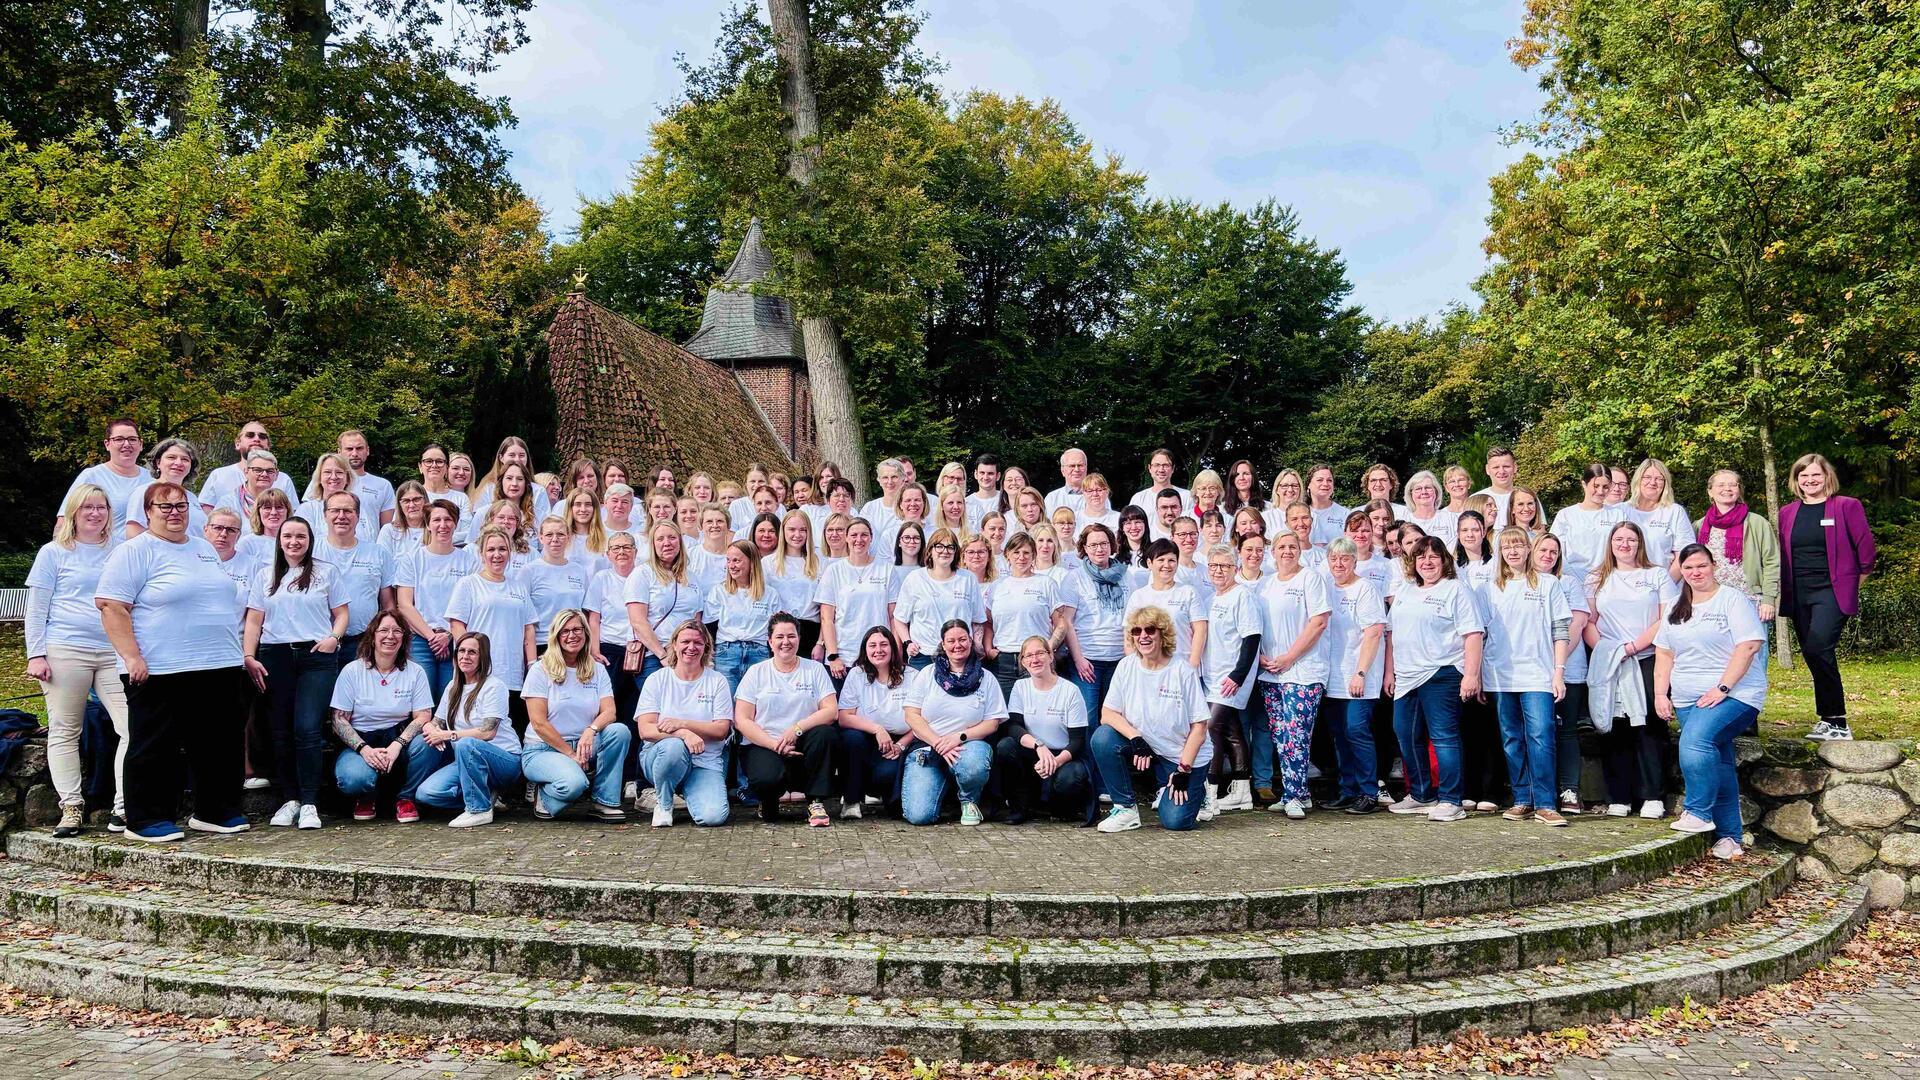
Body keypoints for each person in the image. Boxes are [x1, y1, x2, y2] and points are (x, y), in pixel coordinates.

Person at [94, 482, 250, 843]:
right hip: (161, 667)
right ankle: (144, 819)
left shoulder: (203, 549)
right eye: (164, 507)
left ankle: (214, 811)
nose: (175, 512)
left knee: (218, 742)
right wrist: (132, 656)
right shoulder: (135, 551)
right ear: (147, 512)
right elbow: (112, 607)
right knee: (155, 744)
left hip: (218, 665)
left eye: (181, 505)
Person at [26, 485, 130, 837]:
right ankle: (71, 807)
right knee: (65, 730)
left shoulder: (121, 551)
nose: (94, 513)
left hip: (114, 650)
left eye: (101, 507)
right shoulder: (53, 553)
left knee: (131, 726)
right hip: (65, 648)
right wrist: (35, 654)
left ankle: (125, 804)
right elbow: (37, 608)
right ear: (73, 511)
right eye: (87, 507)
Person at [1655, 544, 1768, 860]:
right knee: (1717, 760)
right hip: (1687, 697)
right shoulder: (1676, 607)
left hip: (1734, 695)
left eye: (1701, 566)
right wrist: (1660, 694)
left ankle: (1698, 811)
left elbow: (1748, 647)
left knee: (1695, 742)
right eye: (1688, 568)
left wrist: (1723, 687)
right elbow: (1664, 653)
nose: (1695, 572)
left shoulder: (1732, 600)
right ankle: (1730, 838)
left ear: (1713, 565)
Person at [242, 515, 349, 831]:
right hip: (275, 656)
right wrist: (249, 655)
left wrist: (334, 638)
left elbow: (341, 613)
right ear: (279, 540)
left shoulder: (325, 572)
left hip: (316, 657)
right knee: (280, 731)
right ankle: (289, 799)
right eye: (287, 536)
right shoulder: (265, 576)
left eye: (300, 536)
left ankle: (311, 802)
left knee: (307, 729)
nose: (293, 542)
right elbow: (253, 621)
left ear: (309, 539)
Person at [1385, 536, 1486, 823]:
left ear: (1444, 561)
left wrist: (1471, 675)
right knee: (1405, 733)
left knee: (1444, 737)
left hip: (1441, 673)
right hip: (1407, 676)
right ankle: (1421, 795)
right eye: (1421, 557)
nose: (1427, 562)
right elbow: (1391, 634)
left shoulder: (1456, 590)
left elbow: (1473, 635)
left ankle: (1452, 800)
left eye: (1433, 557)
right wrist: (1389, 671)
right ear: (1413, 563)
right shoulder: (1406, 590)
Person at [1778, 453, 1876, 742]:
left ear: (1827, 477)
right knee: (1811, 651)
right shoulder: (1787, 512)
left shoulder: (1846, 507)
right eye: (1804, 476)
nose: (1810, 480)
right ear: (1797, 480)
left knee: (1819, 645)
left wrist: (1852, 584)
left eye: (1816, 475)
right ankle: (1827, 719)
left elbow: (1866, 551)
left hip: (1832, 591)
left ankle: (1839, 722)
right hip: (1798, 592)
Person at [1091, 606, 1211, 832]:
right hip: (1147, 748)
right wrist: (1136, 738)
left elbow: (1200, 728)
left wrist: (1183, 770)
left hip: (1181, 756)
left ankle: (1198, 791)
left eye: (1150, 630)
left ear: (1162, 634)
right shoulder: (1126, 666)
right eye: (1136, 631)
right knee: (1103, 738)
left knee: (1175, 822)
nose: (1143, 636)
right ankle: (1126, 809)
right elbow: (1107, 713)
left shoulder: (1182, 671)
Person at [1586, 521, 1677, 818]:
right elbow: (1588, 620)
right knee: (1613, 727)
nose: (1624, 544)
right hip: (1610, 660)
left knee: (1650, 726)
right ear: (1610, 544)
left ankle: (1652, 796)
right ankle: (1619, 796)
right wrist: (1609, 651)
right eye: (1619, 539)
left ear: (1640, 543)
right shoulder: (1597, 577)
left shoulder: (1657, 575)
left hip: (1648, 657)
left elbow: (1666, 618)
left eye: (1631, 539)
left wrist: (1634, 647)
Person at [1485, 526, 1574, 826]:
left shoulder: (1548, 584)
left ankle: (1547, 803)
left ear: (1528, 549)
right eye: (1507, 546)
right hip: (1500, 675)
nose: (1513, 551)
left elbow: (1560, 631)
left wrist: (1558, 672)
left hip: (1538, 673)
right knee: (1511, 738)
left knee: (1541, 735)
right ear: (1500, 551)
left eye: (1519, 545)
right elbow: (1481, 634)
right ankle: (1523, 798)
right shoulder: (1489, 587)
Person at [328, 610, 437, 823]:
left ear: (404, 637)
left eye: (397, 631)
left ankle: (406, 798)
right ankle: (366, 797)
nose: (390, 636)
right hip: (361, 743)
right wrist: (364, 749)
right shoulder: (352, 671)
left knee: (429, 743)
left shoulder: (415, 672)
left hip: (399, 738)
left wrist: (397, 744)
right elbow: (338, 720)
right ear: (372, 635)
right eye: (384, 630)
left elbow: (423, 716)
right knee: (354, 779)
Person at [520, 609, 627, 821]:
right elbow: (539, 723)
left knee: (619, 731)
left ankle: (604, 801)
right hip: (543, 749)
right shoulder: (540, 670)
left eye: (577, 629)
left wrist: (591, 730)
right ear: (556, 636)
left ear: (586, 633)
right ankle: (545, 793)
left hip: (583, 744)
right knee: (575, 784)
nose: (572, 635)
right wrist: (571, 755)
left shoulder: (597, 669)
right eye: (565, 631)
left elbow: (610, 711)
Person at [1253, 531, 1330, 818]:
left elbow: (1319, 622)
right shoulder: (1265, 584)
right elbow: (1255, 624)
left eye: (1292, 546)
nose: (1287, 551)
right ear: (1273, 552)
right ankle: (1300, 793)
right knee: (1282, 735)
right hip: (1271, 672)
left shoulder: (1310, 578)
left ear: (1300, 550)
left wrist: (1289, 657)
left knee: (1297, 734)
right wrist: (1260, 656)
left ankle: (1293, 795)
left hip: (1303, 671)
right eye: (1281, 547)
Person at [735, 613, 839, 826]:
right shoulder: (756, 673)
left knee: (826, 734)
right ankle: (768, 802)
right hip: (765, 743)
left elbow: (831, 711)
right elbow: (742, 720)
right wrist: (775, 745)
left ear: (799, 639)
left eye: (791, 636)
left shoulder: (815, 669)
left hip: (803, 743)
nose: (786, 642)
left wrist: (797, 728)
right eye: (780, 637)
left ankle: (815, 801)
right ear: (769, 641)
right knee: (766, 779)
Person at [413, 631, 523, 828]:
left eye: (472, 652)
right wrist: (431, 729)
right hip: (467, 760)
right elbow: (436, 721)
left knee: (467, 744)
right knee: (426, 793)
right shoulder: (452, 687)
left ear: (483, 657)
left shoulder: (494, 687)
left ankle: (479, 810)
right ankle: (486, 795)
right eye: (461, 651)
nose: (465, 656)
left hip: (505, 760)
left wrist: (447, 735)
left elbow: (488, 732)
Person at [900, 620, 1005, 826]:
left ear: (971, 640)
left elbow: (992, 722)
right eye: (951, 641)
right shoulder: (927, 674)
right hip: (928, 748)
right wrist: (939, 743)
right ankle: (946, 790)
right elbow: (911, 715)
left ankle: (968, 799)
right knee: (919, 816)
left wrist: (958, 737)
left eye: (962, 639)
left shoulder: (987, 678)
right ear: (943, 644)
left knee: (974, 764)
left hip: (968, 746)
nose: (958, 645)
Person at [635, 620, 734, 828]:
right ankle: (664, 802)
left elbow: (721, 730)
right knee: (673, 746)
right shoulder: (657, 679)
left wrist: (682, 723)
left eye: (698, 643)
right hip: (662, 757)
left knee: (712, 817)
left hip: (705, 761)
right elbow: (645, 730)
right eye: (685, 641)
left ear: (706, 647)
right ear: (674, 645)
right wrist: (684, 734)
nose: (691, 647)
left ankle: (690, 789)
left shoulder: (717, 681)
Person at [447, 525, 539, 729]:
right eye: (491, 549)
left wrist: (532, 665)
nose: (497, 555)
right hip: (479, 674)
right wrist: (469, 661)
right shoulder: (468, 584)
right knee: (478, 730)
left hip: (512, 674)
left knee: (509, 732)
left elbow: (529, 630)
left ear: (510, 553)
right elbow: (457, 625)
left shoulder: (518, 587)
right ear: (481, 554)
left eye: (502, 549)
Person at [1321, 538, 1387, 814]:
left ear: (1354, 561)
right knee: (1339, 734)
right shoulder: (1325, 589)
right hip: (1333, 675)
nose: (1339, 564)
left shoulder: (1365, 588)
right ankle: (1348, 790)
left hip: (1359, 674)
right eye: (1334, 559)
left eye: (1345, 558)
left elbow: (1373, 632)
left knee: (1357, 730)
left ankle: (1368, 791)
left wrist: (1360, 672)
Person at [998, 635, 1094, 823]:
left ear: (1051, 656)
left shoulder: (1070, 691)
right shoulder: (1020, 686)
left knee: (1070, 778)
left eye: (1040, 653)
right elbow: (1014, 727)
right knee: (1005, 746)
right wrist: (1038, 746)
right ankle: (1020, 806)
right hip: (1034, 751)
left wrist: (1056, 762)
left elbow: (1078, 740)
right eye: (1029, 655)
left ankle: (1059, 808)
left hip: (1064, 755)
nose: (1035, 659)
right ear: (1023, 662)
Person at [1530, 534, 1592, 816]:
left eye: (1554, 551)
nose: (1548, 555)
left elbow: (1577, 624)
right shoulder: (1524, 583)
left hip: (1568, 669)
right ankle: (1537, 791)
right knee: (1537, 732)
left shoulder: (1568, 583)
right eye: (1543, 549)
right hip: (1531, 672)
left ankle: (1569, 790)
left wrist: (1558, 663)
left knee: (1566, 730)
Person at [1200, 542, 1262, 817]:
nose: (1219, 571)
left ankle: (1209, 793)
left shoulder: (1242, 596)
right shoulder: (1211, 598)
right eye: (1214, 566)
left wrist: (1238, 675)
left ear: (1236, 569)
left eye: (1225, 566)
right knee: (1232, 732)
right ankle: (1241, 792)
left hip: (1231, 676)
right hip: (1211, 675)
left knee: (1209, 729)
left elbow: (1251, 638)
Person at [393, 500, 476, 697]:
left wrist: (447, 635)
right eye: (437, 519)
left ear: (455, 524)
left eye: (448, 519)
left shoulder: (469, 561)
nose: (443, 525)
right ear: (428, 524)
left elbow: (472, 604)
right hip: (421, 640)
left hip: (456, 638)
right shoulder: (412, 559)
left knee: (451, 696)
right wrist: (432, 637)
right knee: (422, 698)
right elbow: (404, 605)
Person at [837, 625, 915, 818]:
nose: (878, 650)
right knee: (851, 739)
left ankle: (881, 794)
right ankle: (851, 800)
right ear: (865, 650)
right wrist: (877, 729)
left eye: (883, 644)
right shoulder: (856, 675)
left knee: (889, 791)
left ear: (893, 648)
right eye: (872, 645)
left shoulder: (913, 676)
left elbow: (924, 720)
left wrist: (901, 745)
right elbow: (844, 717)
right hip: (866, 740)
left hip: (899, 742)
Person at [312, 491, 396, 662]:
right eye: (335, 510)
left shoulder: (378, 553)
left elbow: (387, 603)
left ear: (358, 516)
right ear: (325, 515)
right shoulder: (311, 550)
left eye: (348, 511)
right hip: (318, 640)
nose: (341, 516)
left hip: (364, 641)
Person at [1059, 522, 1128, 719]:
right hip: (1088, 660)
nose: (1100, 549)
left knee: (1114, 717)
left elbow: (1132, 619)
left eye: (1104, 543)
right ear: (1085, 548)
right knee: (1088, 718)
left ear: (1111, 545)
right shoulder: (1075, 578)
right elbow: (1067, 622)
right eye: (1094, 545)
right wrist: (1079, 659)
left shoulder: (1125, 576)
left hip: (1119, 660)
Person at [983, 533, 1066, 697]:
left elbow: (1061, 624)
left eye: (1027, 553)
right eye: (1016, 552)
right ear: (1007, 554)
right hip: (1003, 661)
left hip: (1036, 659)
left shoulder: (1046, 583)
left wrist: (1048, 647)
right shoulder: (996, 586)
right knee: (1005, 716)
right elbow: (988, 623)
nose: (1021, 557)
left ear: (1034, 555)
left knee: (1037, 711)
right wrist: (988, 648)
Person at [892, 528, 985, 670]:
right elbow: (899, 619)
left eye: (950, 547)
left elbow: (977, 620)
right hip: (923, 656)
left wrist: (976, 646)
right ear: (930, 550)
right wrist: (908, 643)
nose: (945, 551)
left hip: (960, 656)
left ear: (956, 551)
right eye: (939, 546)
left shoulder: (968, 579)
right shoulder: (915, 578)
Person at [625, 521, 704, 687]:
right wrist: (662, 655)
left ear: (680, 542)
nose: (667, 543)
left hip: (686, 656)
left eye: (672, 538)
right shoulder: (642, 574)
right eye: (660, 539)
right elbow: (638, 621)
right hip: (653, 657)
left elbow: (696, 620)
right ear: (653, 544)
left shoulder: (692, 577)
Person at [817, 518, 895, 683]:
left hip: (878, 654)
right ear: (846, 537)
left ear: (871, 538)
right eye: (854, 535)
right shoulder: (834, 571)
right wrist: (832, 656)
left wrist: (896, 654)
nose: (859, 540)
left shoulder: (887, 569)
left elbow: (893, 616)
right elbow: (826, 618)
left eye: (864, 535)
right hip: (844, 656)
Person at [585, 531, 642, 726]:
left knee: (636, 708)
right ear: (608, 554)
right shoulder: (602, 578)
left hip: (640, 650)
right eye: (616, 548)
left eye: (627, 547)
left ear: (635, 551)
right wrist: (595, 650)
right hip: (611, 650)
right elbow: (594, 618)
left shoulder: (644, 575)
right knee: (608, 706)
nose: (621, 552)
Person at [707, 539, 778, 694]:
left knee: (756, 704)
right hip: (726, 653)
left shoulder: (770, 594)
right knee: (727, 704)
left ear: (752, 562)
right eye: (729, 560)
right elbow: (710, 628)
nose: (731, 565)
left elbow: (775, 630)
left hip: (758, 654)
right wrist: (709, 659)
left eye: (737, 561)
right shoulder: (719, 591)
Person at [1125, 539, 1208, 668]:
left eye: (1171, 560)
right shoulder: (1139, 596)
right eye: (1161, 560)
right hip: (1147, 668)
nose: (1166, 565)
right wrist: (1135, 666)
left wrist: (1193, 664)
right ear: (1149, 563)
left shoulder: (1188, 592)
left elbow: (1200, 630)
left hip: (1182, 665)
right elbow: (1128, 636)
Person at [60, 418, 149, 535]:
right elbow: (63, 520)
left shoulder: (152, 479)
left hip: (142, 552)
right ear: (107, 444)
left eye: (132, 439)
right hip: (101, 551)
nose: (126, 444)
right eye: (119, 439)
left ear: (141, 444)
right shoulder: (91, 476)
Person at [1551, 464, 1626, 587]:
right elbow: (1557, 552)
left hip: (1608, 583)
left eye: (1605, 487)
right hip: (1572, 583)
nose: (1600, 491)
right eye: (1596, 486)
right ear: (1584, 484)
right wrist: (1576, 580)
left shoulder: (1618, 516)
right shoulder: (1565, 515)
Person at [524, 517, 591, 656]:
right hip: (544, 643)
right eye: (549, 535)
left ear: (568, 538)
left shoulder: (579, 571)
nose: (555, 539)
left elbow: (586, 612)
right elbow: (524, 616)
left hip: (574, 644)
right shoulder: (529, 571)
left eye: (560, 534)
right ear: (540, 538)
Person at [762, 510, 824, 659]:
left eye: (803, 530)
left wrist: (820, 642)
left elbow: (826, 608)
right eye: (792, 529)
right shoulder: (768, 563)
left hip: (810, 630)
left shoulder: (820, 562)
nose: (798, 534)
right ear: (783, 531)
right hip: (780, 630)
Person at [198, 421, 298, 511]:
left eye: (262, 436)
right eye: (250, 435)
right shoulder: (219, 475)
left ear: (268, 445)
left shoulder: (283, 479)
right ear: (238, 444)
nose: (257, 439)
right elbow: (206, 511)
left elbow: (292, 514)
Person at [124, 437, 205, 539]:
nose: (178, 463)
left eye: (185, 459)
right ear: (158, 462)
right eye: (171, 457)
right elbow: (133, 535)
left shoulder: (192, 497)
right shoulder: (144, 492)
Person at [1624, 459, 1694, 570]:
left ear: (1665, 483)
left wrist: (1667, 583)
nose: (1652, 482)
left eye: (1659, 479)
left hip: (1664, 582)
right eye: (1647, 477)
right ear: (1638, 480)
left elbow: (1684, 554)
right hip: (1625, 582)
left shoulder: (1675, 512)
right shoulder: (1620, 511)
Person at [299, 453, 376, 544]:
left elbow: (369, 541)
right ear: (319, 478)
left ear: (347, 478)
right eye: (327, 472)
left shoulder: (359, 510)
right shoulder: (307, 510)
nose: (334, 477)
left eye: (339, 472)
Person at [335, 430, 395, 530]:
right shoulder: (327, 481)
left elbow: (387, 529)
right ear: (339, 452)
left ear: (367, 450)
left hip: (371, 545)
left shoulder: (383, 485)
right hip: (333, 545)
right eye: (349, 449)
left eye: (359, 448)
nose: (354, 453)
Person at [1130, 448, 1193, 516]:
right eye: (1157, 465)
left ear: (1173, 468)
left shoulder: (1187, 497)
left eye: (1166, 465)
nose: (1161, 470)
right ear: (1149, 468)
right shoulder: (1138, 499)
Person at [1403, 470, 1457, 547]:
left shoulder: (1451, 519)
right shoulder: (1405, 520)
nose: (1424, 492)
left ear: (1436, 491)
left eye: (1428, 488)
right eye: (1418, 489)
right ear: (1410, 494)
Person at [377, 481, 430, 556]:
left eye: (416, 500)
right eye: (406, 501)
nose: (411, 505)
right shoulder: (389, 531)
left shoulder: (435, 530)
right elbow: (382, 561)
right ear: (399, 505)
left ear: (425, 500)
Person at [1472, 447, 1519, 528]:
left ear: (1515, 467)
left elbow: (1538, 530)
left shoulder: (1527, 497)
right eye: (1496, 467)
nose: (1501, 471)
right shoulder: (1474, 500)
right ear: (1487, 469)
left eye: (1506, 466)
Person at [1305, 465, 1347, 548]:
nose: (1325, 484)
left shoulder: (1345, 514)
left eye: (1329, 480)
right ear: (1308, 484)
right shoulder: (1299, 513)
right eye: (1320, 480)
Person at [1045, 447, 1090, 515]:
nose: (1076, 469)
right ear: (1062, 470)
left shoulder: (1098, 497)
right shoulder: (1052, 498)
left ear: (1086, 469)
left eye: (1080, 465)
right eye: (1071, 466)